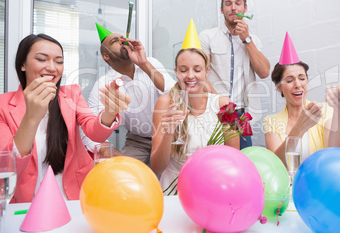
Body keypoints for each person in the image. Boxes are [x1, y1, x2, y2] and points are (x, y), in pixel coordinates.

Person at [0, 34, 130, 203]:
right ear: (23, 64)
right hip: (26, 204)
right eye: (42, 59)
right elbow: (9, 166)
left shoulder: (71, 94)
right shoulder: (3, 105)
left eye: (59, 61)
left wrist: (110, 112)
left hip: (72, 198)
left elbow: (94, 133)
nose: (52, 68)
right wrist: (32, 118)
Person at [81, 23, 175, 166]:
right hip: (137, 140)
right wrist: (116, 156)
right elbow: (90, 133)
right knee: (125, 174)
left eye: (122, 39)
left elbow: (174, 93)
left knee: (175, 177)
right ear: (105, 56)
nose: (122, 41)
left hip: (169, 134)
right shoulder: (103, 84)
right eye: (115, 41)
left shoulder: (151, 63)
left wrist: (143, 63)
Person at [151, 48, 239, 195]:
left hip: (213, 193)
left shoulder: (223, 104)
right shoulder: (165, 103)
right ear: (176, 72)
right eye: (183, 70)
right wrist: (168, 134)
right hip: (175, 195)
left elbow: (234, 160)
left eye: (197, 70)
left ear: (207, 72)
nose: (190, 76)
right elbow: (157, 168)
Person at [199, 0, 270, 149]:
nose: (233, 7)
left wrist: (247, 39)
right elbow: (200, 75)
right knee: (213, 162)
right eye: (228, 3)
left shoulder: (253, 40)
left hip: (241, 114)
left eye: (238, 3)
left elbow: (264, 72)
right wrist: (222, 104)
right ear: (222, 10)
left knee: (241, 164)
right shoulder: (207, 37)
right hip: (213, 111)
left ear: (245, 8)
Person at [263, 62, 340, 165]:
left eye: (302, 79)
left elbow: (336, 147)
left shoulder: (325, 110)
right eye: (289, 80)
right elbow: (276, 164)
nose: (298, 85)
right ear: (278, 87)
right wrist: (299, 128)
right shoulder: (271, 121)